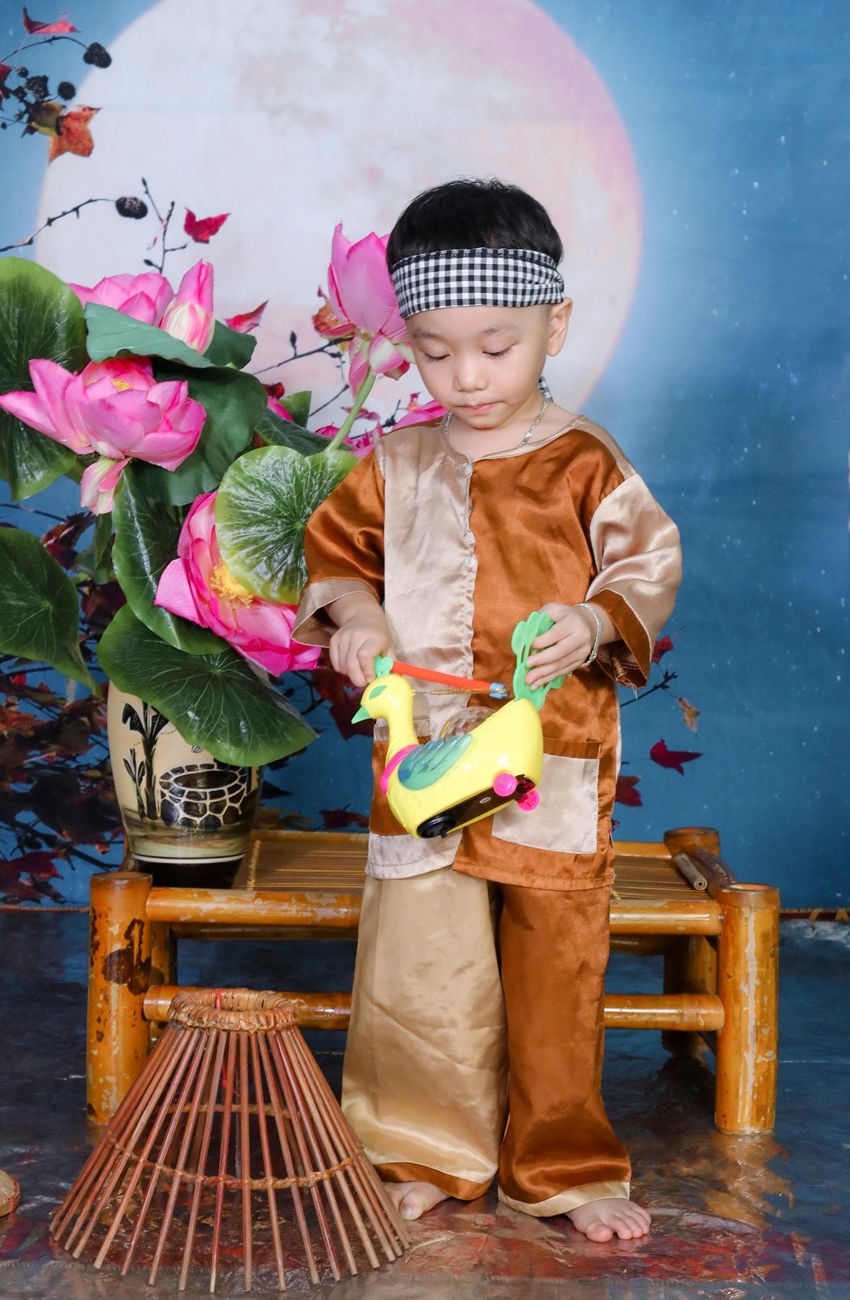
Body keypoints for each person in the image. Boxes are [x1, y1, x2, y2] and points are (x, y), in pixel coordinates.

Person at [293, 178, 681, 1242]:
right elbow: (336, 561)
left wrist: (594, 624)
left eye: (496, 347)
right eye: (434, 351)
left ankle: (563, 1165)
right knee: (420, 963)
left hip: (551, 756)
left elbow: (645, 566)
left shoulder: (585, 461)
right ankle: (422, 1151)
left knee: (557, 963)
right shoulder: (396, 462)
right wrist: (358, 618)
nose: (465, 376)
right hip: (420, 752)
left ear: (556, 324)